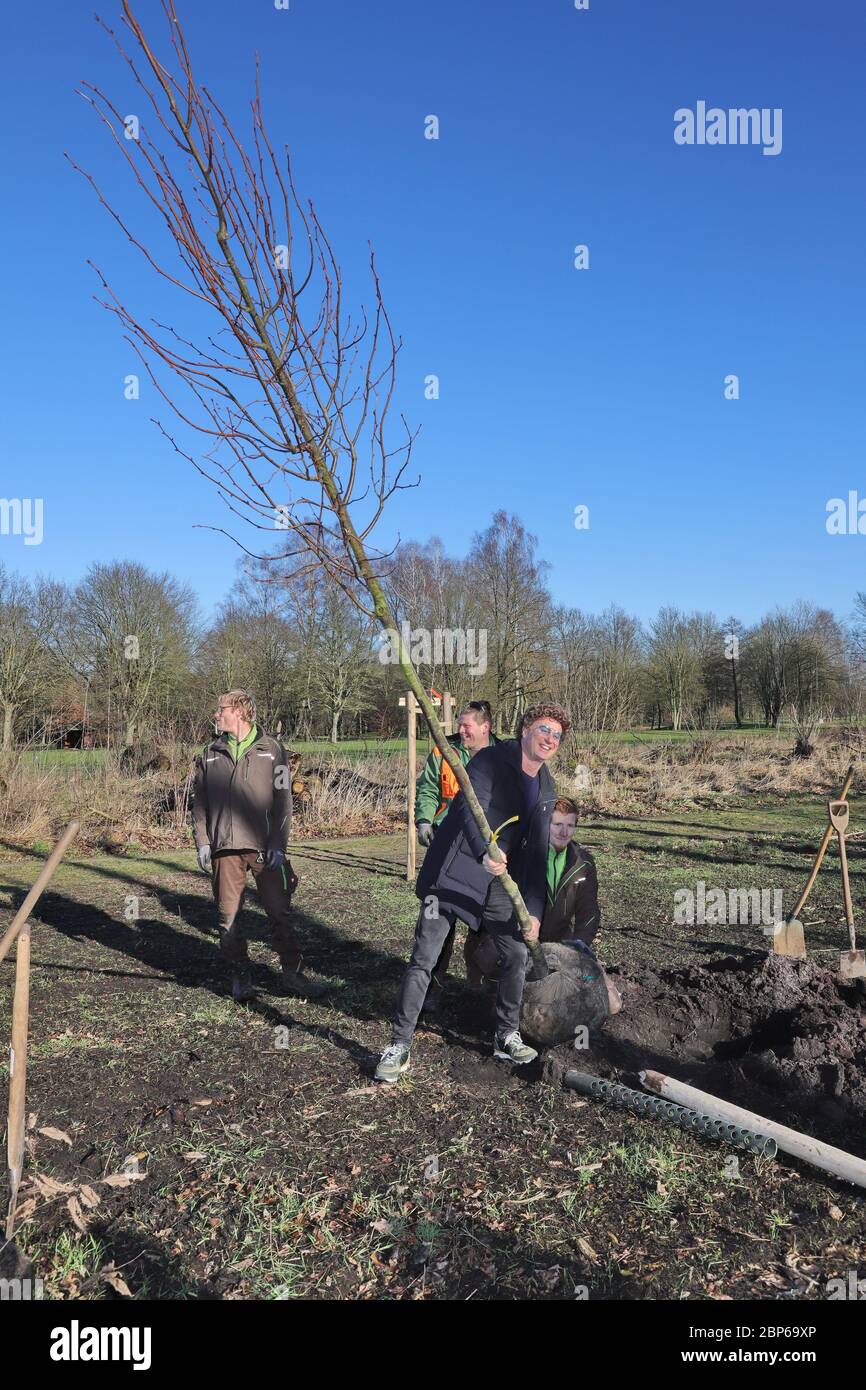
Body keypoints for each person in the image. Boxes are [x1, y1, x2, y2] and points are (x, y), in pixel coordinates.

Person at [375, 703, 570, 1083]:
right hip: (453, 871)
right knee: (425, 956)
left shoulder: (546, 785)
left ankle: (505, 1035)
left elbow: (535, 851)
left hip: (497, 879)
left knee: (516, 951)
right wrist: (487, 849)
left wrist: (533, 911)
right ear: (526, 727)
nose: (550, 739)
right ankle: (399, 1044)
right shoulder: (490, 760)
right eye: (544, 729)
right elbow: (469, 809)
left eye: (558, 735)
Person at [192, 689, 326, 1002]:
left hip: (265, 849)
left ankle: (293, 973)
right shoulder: (210, 752)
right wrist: (202, 841)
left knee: (280, 912)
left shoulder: (272, 750)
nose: (216, 714)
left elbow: (283, 803)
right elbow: (200, 803)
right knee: (228, 917)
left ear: (238, 711)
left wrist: (279, 844)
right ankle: (241, 973)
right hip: (224, 848)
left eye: (220, 709)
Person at [466, 796, 622, 1017]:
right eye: (557, 824)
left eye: (570, 825)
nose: (563, 832)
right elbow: (497, 902)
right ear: (546, 825)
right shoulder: (522, 855)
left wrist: (578, 945)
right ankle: (494, 985)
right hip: (520, 941)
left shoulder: (584, 864)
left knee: (611, 1004)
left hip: (562, 945)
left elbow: (589, 913)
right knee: (501, 986)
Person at [414, 700, 497, 1015]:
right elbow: (428, 790)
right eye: (459, 725)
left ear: (485, 726)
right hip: (447, 847)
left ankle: (486, 986)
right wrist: (424, 820)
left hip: (485, 849)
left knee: (488, 922)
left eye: (466, 726)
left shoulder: (501, 755)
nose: (460, 731)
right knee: (437, 921)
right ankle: (431, 988)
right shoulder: (443, 751)